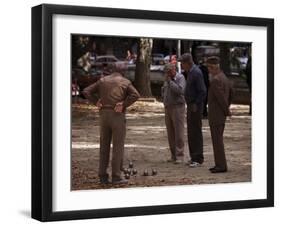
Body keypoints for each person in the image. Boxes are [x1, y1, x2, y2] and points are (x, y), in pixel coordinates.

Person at [82, 63, 140, 185]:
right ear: (123, 71)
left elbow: (86, 91)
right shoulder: (125, 82)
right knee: (118, 147)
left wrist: (95, 101)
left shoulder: (102, 81)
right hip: (117, 115)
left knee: (104, 146)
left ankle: (102, 176)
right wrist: (123, 104)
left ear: (112, 70)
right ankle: (116, 176)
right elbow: (136, 95)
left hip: (103, 115)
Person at [179, 53, 206, 167]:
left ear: (187, 62)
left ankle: (198, 158)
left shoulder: (196, 73)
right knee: (191, 132)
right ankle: (193, 156)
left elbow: (202, 91)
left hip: (195, 106)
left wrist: (196, 103)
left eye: (182, 63)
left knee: (196, 132)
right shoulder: (190, 72)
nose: (181, 66)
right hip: (190, 105)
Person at [206, 56, 233, 173]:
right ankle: (219, 164)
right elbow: (232, 93)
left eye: (209, 68)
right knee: (218, 140)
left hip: (216, 115)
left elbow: (221, 98)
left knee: (217, 141)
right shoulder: (224, 77)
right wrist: (227, 107)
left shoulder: (216, 80)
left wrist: (226, 110)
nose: (208, 71)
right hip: (220, 114)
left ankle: (221, 166)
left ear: (213, 67)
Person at [161, 63, 186, 164]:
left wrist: (170, 81)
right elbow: (164, 90)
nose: (167, 74)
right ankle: (173, 155)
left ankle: (180, 155)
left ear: (174, 70)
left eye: (169, 71)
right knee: (170, 132)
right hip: (168, 107)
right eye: (166, 72)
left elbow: (180, 90)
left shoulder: (180, 78)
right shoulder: (167, 80)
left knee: (178, 132)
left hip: (177, 107)